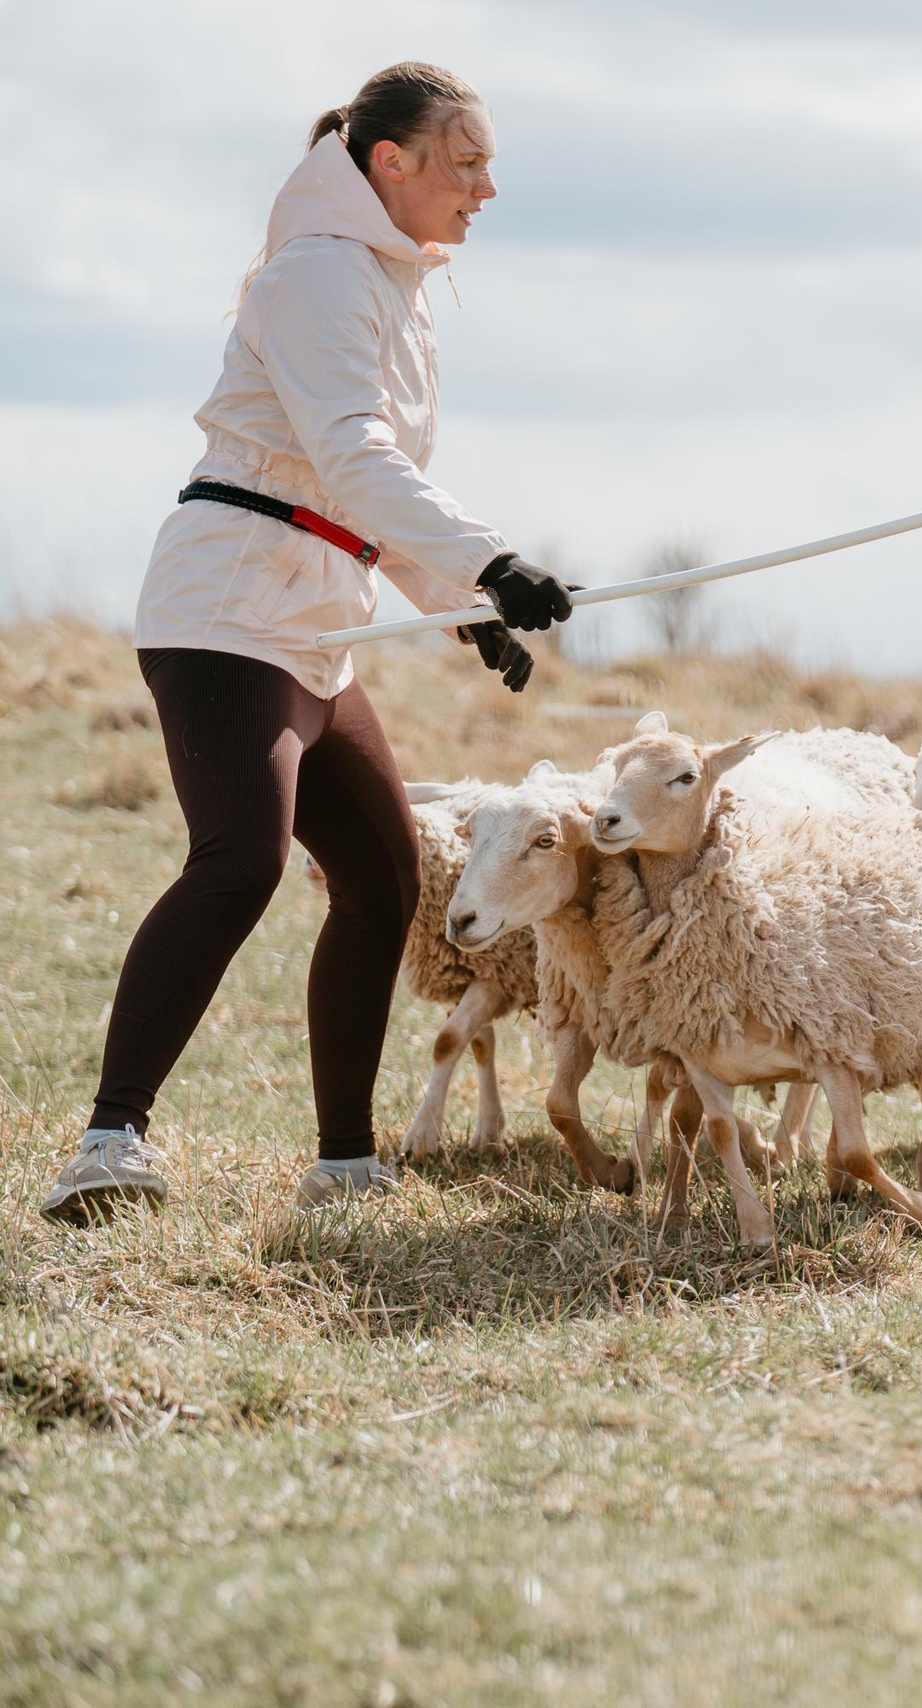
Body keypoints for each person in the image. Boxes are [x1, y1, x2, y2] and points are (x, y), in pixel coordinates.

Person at [41, 62, 574, 1224]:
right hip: (229, 607)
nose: (485, 189)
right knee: (243, 857)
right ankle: (107, 1144)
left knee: (385, 877)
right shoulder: (323, 270)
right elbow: (350, 455)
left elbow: (368, 494)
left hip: (317, 619)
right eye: (467, 162)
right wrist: (490, 561)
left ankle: (344, 1164)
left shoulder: (395, 283)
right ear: (392, 162)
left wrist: (466, 603)